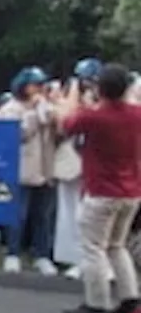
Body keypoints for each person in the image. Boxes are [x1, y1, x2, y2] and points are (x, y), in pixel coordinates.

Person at [55, 64, 141, 313]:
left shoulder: (94, 116)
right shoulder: (137, 114)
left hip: (101, 190)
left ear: (99, 89)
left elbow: (66, 124)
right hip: (132, 190)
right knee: (117, 245)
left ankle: (96, 304)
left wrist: (73, 95)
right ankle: (129, 297)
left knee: (93, 248)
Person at [0, 67, 58, 276]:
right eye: (35, 85)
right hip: (21, 169)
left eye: (42, 85)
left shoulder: (47, 107)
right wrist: (33, 115)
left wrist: (49, 112)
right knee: (18, 214)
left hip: (45, 169)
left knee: (43, 215)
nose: (39, 89)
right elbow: (14, 136)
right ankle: (12, 253)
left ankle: (42, 255)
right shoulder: (10, 109)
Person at [54, 59, 102, 280]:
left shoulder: (105, 104)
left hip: (96, 166)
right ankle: (72, 258)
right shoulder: (68, 100)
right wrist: (73, 94)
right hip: (71, 162)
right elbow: (65, 122)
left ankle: (89, 262)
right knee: (69, 213)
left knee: (89, 217)